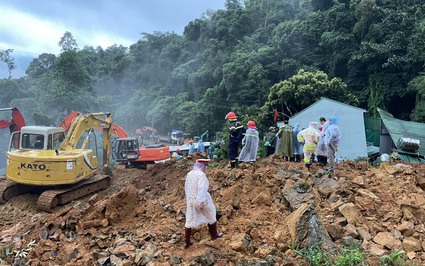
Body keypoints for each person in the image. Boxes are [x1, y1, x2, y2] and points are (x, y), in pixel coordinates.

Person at [184, 159, 223, 248]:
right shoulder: (201, 175)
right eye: (205, 166)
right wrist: (200, 200)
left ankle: (186, 242)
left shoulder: (190, 174)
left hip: (191, 200)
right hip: (200, 200)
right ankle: (214, 235)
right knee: (211, 214)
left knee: (189, 219)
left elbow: (187, 187)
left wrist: (190, 199)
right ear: (203, 166)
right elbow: (202, 188)